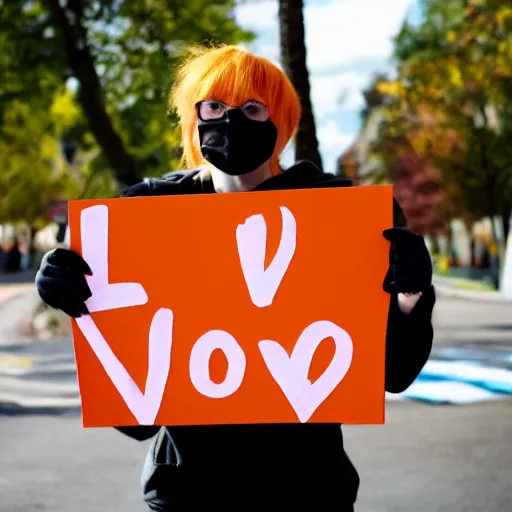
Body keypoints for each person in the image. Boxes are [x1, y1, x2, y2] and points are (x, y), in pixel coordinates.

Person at [35, 45, 435, 511]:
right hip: (188, 491)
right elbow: (135, 414)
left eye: (251, 108)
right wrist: (78, 300)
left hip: (307, 488)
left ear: (278, 120)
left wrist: (410, 296)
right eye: (215, 106)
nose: (231, 120)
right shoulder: (147, 213)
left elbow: (393, 372)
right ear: (194, 117)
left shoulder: (340, 215)